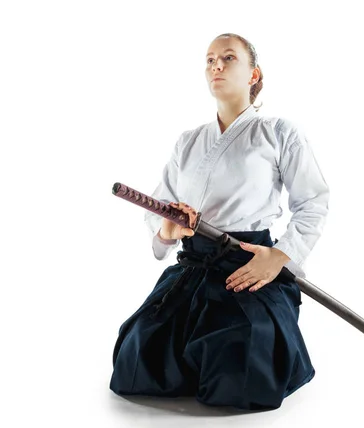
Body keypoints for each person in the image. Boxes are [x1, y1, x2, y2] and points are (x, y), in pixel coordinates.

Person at [109, 33, 330, 411]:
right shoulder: (189, 141)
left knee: (241, 357)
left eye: (228, 58)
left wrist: (278, 257)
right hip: (195, 265)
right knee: (138, 354)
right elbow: (159, 208)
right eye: (210, 60)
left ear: (253, 74)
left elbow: (313, 201)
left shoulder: (278, 133)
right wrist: (170, 228)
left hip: (247, 266)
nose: (217, 66)